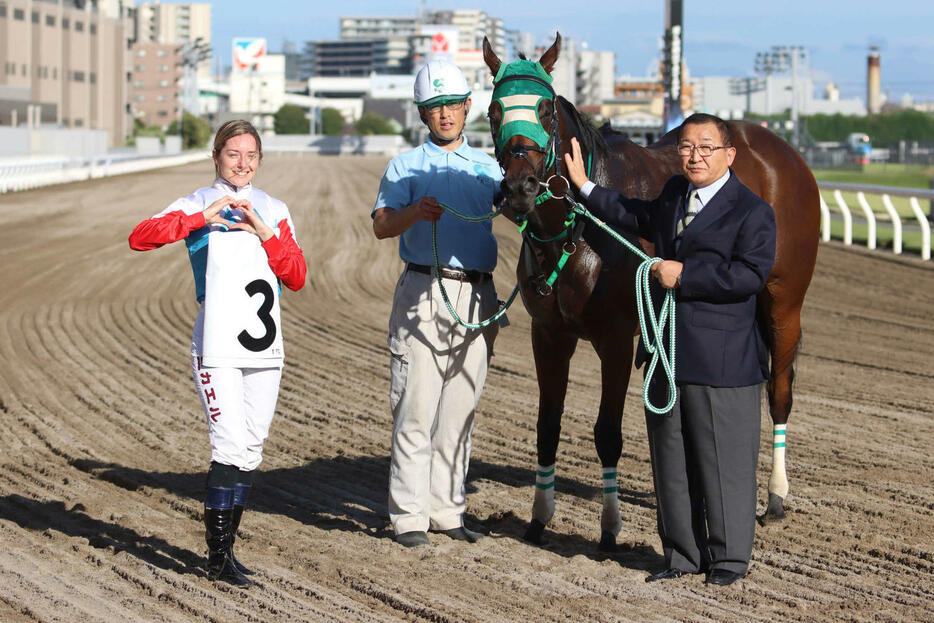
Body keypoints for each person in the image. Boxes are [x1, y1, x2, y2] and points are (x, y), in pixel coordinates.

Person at [564, 113, 776, 586]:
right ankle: (682, 555)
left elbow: (750, 276)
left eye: (706, 147)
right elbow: (632, 215)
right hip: (665, 353)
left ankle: (728, 560)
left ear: (729, 155)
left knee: (725, 465)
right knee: (671, 461)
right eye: (686, 146)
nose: (695, 155)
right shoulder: (673, 197)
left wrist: (686, 276)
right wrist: (584, 187)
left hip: (723, 363)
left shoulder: (753, 212)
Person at [128, 120, 306, 585]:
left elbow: (297, 275)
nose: (242, 164)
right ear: (216, 156)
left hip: (265, 344)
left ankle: (227, 553)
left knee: (251, 448)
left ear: (260, 160)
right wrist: (200, 219)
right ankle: (216, 557)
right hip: (216, 340)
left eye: (251, 155)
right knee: (228, 444)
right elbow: (141, 236)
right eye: (233, 154)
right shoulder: (196, 201)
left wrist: (266, 232)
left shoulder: (274, 207)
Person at [372, 60, 504, 548]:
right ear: (422, 114)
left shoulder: (491, 168)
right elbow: (382, 226)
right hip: (423, 293)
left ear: (468, 107)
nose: (445, 114)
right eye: (434, 108)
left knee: (459, 413)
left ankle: (448, 511)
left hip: (478, 295)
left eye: (452, 105)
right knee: (416, 408)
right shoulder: (405, 167)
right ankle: (409, 517)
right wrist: (413, 213)